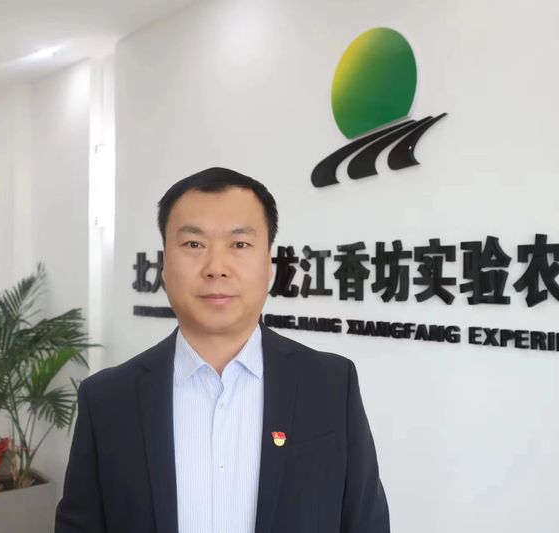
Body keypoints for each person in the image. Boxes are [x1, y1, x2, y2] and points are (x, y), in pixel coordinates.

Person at [55, 167, 390, 533]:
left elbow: (366, 523)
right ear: (164, 264)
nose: (216, 268)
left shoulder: (330, 384)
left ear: (269, 264)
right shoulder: (107, 399)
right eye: (193, 244)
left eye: (239, 244)